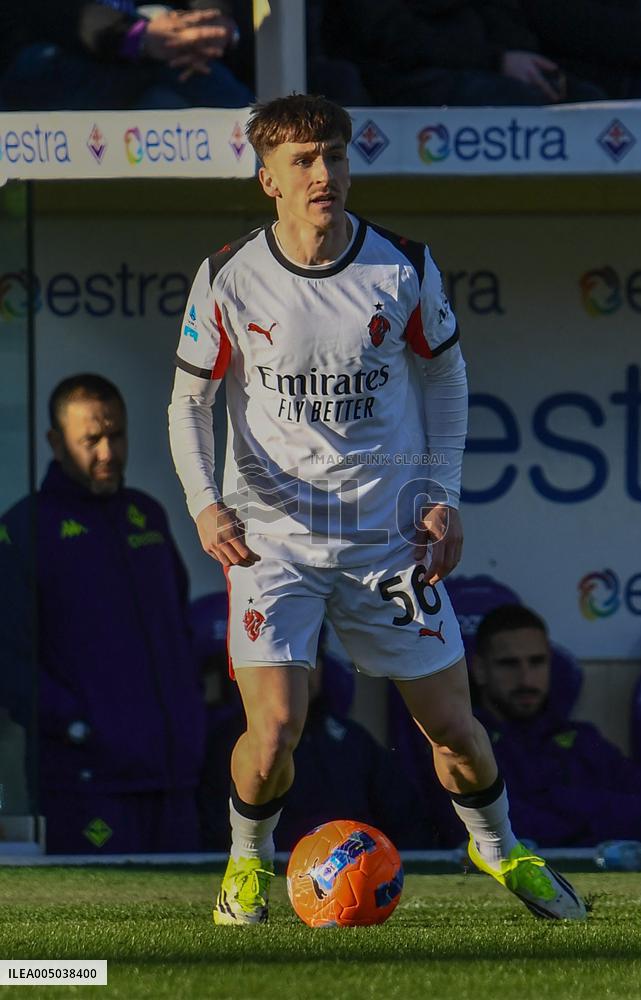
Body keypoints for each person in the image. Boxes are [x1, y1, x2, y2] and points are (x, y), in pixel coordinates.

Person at [168, 93, 586, 924]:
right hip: (273, 544)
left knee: (456, 733)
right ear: (269, 180)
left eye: (336, 156)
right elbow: (190, 401)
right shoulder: (228, 277)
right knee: (277, 728)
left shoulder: (402, 265)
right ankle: (247, 863)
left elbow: (446, 376)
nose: (325, 174)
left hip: (385, 540)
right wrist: (207, 506)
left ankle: (501, 850)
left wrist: (439, 494)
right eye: (304, 162)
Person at [0, 374, 206, 853]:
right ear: (56, 442)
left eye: (116, 435)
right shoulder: (25, 529)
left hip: (173, 777)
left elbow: (179, 627)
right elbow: (9, 661)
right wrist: (76, 725)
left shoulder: (147, 515)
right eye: (90, 439)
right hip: (85, 781)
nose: (108, 452)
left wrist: (192, 718)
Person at [197, 622, 433, 851]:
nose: (306, 671)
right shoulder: (230, 743)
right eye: (291, 663)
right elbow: (213, 831)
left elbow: (407, 823)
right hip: (272, 866)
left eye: (314, 657)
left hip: (351, 870)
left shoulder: (353, 741)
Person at [470, 604, 641, 846]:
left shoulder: (582, 740)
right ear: (479, 670)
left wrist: (560, 801)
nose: (526, 679)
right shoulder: (465, 745)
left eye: (537, 662)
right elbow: (498, 830)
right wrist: (597, 810)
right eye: (509, 664)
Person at [321, 0, 641, 106]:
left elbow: (526, 19)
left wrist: (518, 58)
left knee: (588, 100)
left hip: (481, 65)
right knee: (523, 100)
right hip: (398, 78)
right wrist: (498, 61)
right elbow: (390, 37)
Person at [0, 1, 252, 112]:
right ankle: (269, 139)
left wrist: (212, 24)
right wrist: (139, 37)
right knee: (181, 77)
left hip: (143, 63)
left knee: (165, 102)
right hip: (39, 61)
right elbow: (50, 13)